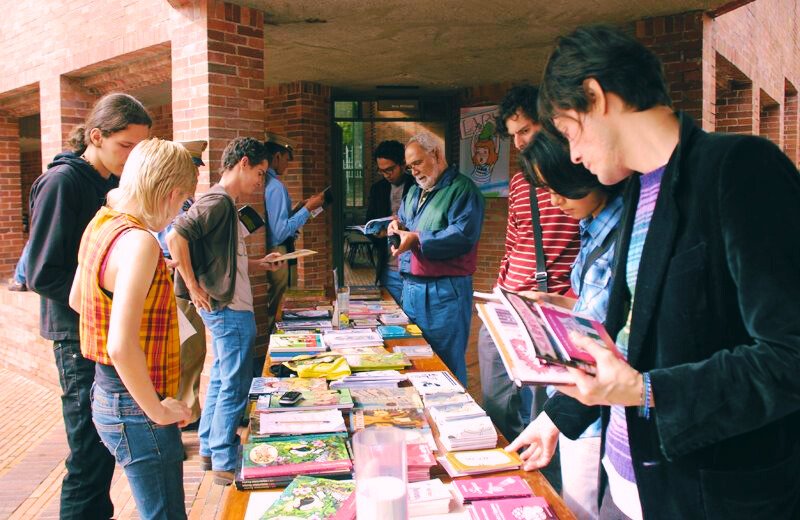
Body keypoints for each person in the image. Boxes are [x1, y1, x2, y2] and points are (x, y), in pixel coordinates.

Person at [509, 25, 800, 519]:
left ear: (596, 97)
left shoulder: (740, 168)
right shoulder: (640, 193)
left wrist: (649, 391)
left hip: (716, 493)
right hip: (632, 482)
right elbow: (629, 334)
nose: (573, 155)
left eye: (568, 131)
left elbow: (788, 357)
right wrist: (556, 419)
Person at [27, 92, 151, 520]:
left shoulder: (110, 184)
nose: (132, 157)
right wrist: (100, 299)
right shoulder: (63, 182)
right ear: (96, 136)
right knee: (88, 452)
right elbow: (41, 272)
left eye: (140, 148)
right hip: (74, 332)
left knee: (101, 451)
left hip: (98, 329)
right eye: (126, 147)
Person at [68, 138, 197, 519]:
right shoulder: (140, 241)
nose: (178, 213)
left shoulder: (102, 220)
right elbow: (121, 346)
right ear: (172, 193)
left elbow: (79, 299)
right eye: (183, 202)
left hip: (107, 394)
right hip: (135, 402)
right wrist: (156, 410)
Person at [515, 130, 624, 520]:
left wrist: (555, 419)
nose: (554, 200)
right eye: (546, 189)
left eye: (560, 188)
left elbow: (611, 331)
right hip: (577, 397)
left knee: (581, 505)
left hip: (595, 403)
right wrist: (555, 303)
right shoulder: (592, 224)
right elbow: (595, 307)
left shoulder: (625, 233)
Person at [167, 137, 284, 486]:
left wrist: (259, 264)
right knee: (233, 382)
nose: (260, 182)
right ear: (244, 162)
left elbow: (226, 261)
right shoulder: (218, 200)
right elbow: (176, 236)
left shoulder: (224, 203)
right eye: (260, 173)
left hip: (228, 306)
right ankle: (224, 456)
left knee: (221, 378)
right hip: (228, 309)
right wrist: (192, 285)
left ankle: (209, 446)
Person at [478, 85, 581, 446]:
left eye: (525, 130)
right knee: (494, 398)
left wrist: (564, 299)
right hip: (506, 302)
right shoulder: (521, 181)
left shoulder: (578, 175)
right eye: (513, 135)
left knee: (542, 411)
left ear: (549, 123)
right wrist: (500, 288)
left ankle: (538, 482)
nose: (519, 142)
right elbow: (513, 241)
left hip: (549, 308)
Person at [387, 132, 484, 385]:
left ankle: (455, 419)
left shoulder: (463, 189)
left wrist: (417, 239)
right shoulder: (413, 192)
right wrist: (395, 226)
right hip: (411, 287)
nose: (414, 172)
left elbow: (462, 236)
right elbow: (405, 222)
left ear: (437, 154)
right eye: (409, 168)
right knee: (414, 357)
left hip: (444, 290)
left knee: (446, 364)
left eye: (417, 162)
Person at [155, 140, 208, 430]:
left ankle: (188, 413)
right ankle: (184, 417)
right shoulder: (178, 202)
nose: (197, 176)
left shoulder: (186, 201)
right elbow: (173, 242)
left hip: (180, 279)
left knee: (192, 350)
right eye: (192, 169)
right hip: (176, 281)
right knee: (187, 350)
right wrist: (191, 285)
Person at [262, 132, 326, 348]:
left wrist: (298, 209)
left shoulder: (266, 183)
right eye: (287, 159)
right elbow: (280, 231)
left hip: (272, 252)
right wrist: (308, 209)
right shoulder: (276, 186)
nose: (288, 165)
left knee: (276, 305)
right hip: (280, 251)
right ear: (278, 156)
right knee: (282, 306)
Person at [365, 140, 415, 303]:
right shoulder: (378, 188)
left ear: (403, 164)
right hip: (388, 268)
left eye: (390, 170)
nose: (386, 175)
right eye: (382, 171)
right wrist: (375, 233)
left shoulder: (418, 186)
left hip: (414, 268)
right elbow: (370, 221)